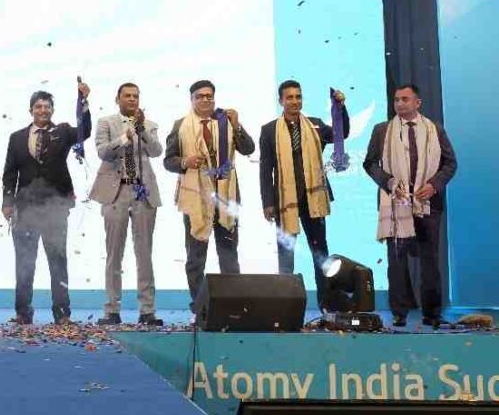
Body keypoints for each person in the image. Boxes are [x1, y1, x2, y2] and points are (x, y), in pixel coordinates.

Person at [364, 84, 457, 328]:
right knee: (397, 261)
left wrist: (434, 185)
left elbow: (450, 163)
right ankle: (399, 313)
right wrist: (389, 182)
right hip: (396, 202)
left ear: (418, 103)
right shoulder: (382, 130)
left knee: (430, 261)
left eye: (405, 99)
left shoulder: (434, 129)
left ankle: (432, 314)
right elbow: (369, 164)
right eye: (396, 100)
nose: (399, 103)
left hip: (428, 204)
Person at [2, 82, 91, 325]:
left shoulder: (63, 132)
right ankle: (23, 312)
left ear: (52, 110)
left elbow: (84, 131)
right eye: (38, 106)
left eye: (47, 107)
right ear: (31, 110)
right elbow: (10, 173)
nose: (43, 110)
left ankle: (62, 313)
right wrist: (7, 203)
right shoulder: (17, 138)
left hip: (55, 207)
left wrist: (83, 103)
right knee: (24, 263)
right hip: (25, 209)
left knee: (58, 260)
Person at [164, 80, 255, 312]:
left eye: (209, 96)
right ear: (192, 99)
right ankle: (200, 308)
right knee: (196, 259)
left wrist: (238, 125)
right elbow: (168, 161)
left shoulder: (226, 121)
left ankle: (233, 307)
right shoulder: (180, 125)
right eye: (200, 96)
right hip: (195, 199)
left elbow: (248, 149)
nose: (205, 99)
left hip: (225, 198)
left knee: (229, 256)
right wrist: (185, 161)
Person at [259, 80, 349, 310]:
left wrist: (340, 110)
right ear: (281, 101)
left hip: (313, 200)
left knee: (320, 253)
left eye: (298, 96)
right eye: (289, 97)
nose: (294, 101)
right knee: (286, 253)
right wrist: (268, 203)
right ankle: (286, 305)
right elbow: (265, 169)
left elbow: (341, 134)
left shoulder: (315, 126)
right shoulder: (269, 130)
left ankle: (326, 304)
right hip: (284, 201)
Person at [89, 83, 163, 326]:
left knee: (145, 253)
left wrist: (141, 130)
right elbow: (102, 152)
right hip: (116, 191)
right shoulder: (106, 122)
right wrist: (124, 138)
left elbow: (156, 151)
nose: (132, 99)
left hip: (143, 192)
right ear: (117, 99)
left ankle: (147, 310)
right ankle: (111, 309)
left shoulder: (149, 124)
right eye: (127, 95)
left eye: (136, 96)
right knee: (114, 253)